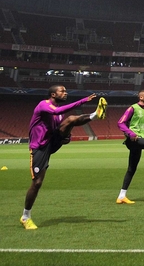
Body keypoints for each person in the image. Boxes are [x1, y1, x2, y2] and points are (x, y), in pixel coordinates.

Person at [20, 85, 100, 230]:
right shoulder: (43, 105)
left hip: (52, 141)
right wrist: (83, 101)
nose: (65, 93)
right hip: (39, 147)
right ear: (52, 94)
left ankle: (95, 115)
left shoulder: (59, 115)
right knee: (37, 183)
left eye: (65, 91)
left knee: (70, 120)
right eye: (62, 91)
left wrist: (65, 137)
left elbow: (58, 129)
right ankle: (25, 217)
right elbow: (58, 110)